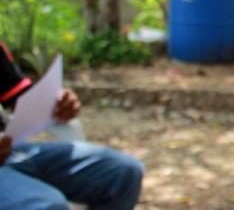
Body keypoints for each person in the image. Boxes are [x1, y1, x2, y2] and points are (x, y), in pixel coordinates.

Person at [0, 41, 144, 210]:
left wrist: (59, 103)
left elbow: (19, 94)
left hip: (13, 152)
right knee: (47, 205)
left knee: (123, 172)